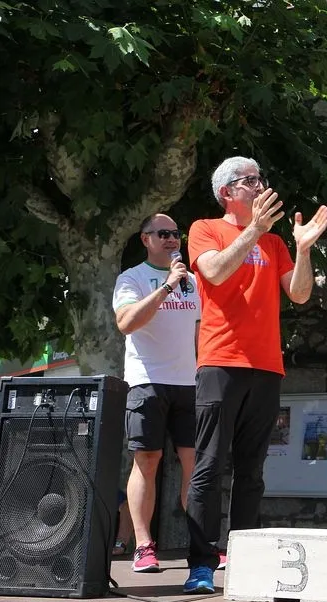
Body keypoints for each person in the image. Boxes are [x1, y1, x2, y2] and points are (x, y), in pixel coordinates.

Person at [182, 157, 327, 594]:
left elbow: (299, 294)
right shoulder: (205, 229)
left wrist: (303, 249)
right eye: (250, 180)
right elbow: (213, 271)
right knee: (209, 467)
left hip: (266, 366)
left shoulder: (275, 242)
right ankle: (201, 564)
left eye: (261, 178)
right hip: (220, 362)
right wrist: (254, 231)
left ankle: (244, 561)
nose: (260, 185)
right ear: (227, 192)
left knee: (252, 471)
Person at [112, 213, 201, 573]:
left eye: (176, 233)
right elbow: (126, 323)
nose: (171, 239)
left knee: (196, 464)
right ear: (145, 239)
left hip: (190, 383)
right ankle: (143, 545)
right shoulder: (131, 278)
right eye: (163, 233)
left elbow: (200, 331)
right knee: (147, 461)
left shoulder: (194, 281)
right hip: (147, 380)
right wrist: (166, 286)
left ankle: (203, 546)